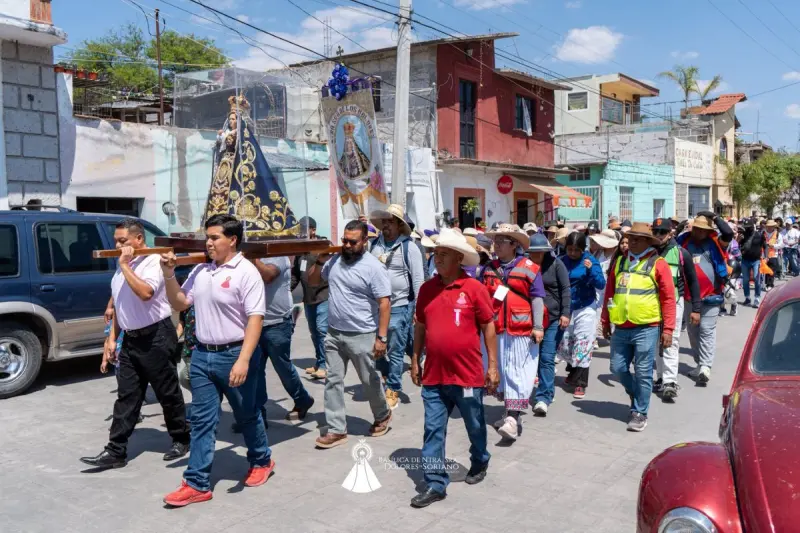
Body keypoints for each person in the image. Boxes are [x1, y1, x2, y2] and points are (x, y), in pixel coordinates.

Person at [160, 214, 273, 507]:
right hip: (201, 356)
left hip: (235, 354)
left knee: (246, 414)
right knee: (201, 421)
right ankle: (196, 483)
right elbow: (180, 303)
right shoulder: (200, 271)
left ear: (232, 240)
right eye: (207, 237)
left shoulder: (246, 272)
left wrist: (244, 360)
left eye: (214, 237)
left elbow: (255, 319)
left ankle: (262, 460)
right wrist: (169, 274)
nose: (208, 243)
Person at [80, 219, 191, 471]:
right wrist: (111, 339)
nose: (118, 245)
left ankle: (181, 437)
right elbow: (121, 304)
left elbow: (145, 293)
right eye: (116, 241)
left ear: (139, 239)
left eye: (123, 241)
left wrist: (124, 265)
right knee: (127, 395)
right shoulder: (124, 266)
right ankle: (115, 450)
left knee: (167, 391)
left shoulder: (152, 262)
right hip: (130, 339)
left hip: (156, 336)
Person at [409, 229, 499, 509]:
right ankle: (435, 482)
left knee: (475, 424)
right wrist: (415, 359)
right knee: (433, 429)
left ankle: (480, 459)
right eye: (436, 253)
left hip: (467, 376)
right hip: (434, 375)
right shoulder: (426, 289)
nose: (438, 258)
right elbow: (420, 326)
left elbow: (488, 326)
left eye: (445, 254)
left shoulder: (474, 289)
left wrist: (492, 365)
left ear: (459, 258)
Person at [315, 220, 393, 449]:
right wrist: (315, 259)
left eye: (352, 242)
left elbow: (385, 303)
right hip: (334, 333)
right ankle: (337, 429)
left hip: (362, 334)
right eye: (344, 241)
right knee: (333, 380)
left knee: (369, 380)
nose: (347, 245)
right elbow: (319, 278)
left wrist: (381, 338)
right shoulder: (335, 261)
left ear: (364, 241)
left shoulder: (374, 268)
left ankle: (382, 414)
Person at [602, 222, 675, 432]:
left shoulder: (658, 264)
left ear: (646, 242)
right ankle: (637, 392)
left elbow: (668, 299)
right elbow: (609, 294)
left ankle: (640, 412)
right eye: (629, 238)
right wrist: (605, 320)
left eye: (635, 239)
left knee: (643, 371)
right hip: (621, 327)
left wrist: (668, 329)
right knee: (617, 367)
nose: (629, 243)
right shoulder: (619, 263)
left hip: (647, 327)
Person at [479, 224, 544, 441]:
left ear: (514, 244)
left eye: (501, 241)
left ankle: (512, 420)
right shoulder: (488, 268)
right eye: (495, 241)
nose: (495, 245)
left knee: (517, 371)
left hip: (521, 330)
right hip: (495, 329)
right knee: (502, 372)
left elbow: (537, 298)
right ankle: (511, 415)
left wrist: (538, 327)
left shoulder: (529, 267)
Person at [369, 204, 424, 410]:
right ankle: (386, 374)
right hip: (375, 306)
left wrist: (418, 310)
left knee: (395, 350)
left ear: (400, 226)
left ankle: (393, 387)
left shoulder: (409, 247)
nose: (386, 226)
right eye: (384, 221)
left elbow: (418, 280)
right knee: (375, 348)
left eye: (390, 222)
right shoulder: (374, 245)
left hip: (400, 305)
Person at [251, 253, 314, 427]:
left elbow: (268, 275)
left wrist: (250, 257)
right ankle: (258, 415)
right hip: (253, 322)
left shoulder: (277, 255)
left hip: (277, 323)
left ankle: (302, 399)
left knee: (283, 367)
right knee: (254, 370)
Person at [676, 213, 733, 384]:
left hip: (711, 296)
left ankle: (706, 367)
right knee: (693, 334)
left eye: (703, 230)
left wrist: (715, 218)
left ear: (708, 231)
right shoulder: (683, 242)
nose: (700, 232)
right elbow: (668, 244)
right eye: (697, 229)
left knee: (707, 331)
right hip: (688, 297)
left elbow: (728, 234)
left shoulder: (717, 243)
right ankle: (700, 363)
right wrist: (679, 227)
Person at [652, 218, 701, 401]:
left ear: (670, 233)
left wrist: (696, 308)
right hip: (651, 303)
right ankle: (660, 377)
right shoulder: (649, 252)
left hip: (674, 302)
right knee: (657, 340)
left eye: (662, 232)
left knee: (670, 339)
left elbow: (693, 281)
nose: (658, 236)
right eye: (655, 232)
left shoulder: (681, 254)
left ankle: (670, 381)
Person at [557, 232, 606, 399]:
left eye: (576, 250)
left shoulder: (590, 260)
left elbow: (601, 283)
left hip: (586, 307)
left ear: (582, 249)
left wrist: (591, 271)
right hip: (567, 308)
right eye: (569, 249)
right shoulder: (561, 261)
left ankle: (581, 383)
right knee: (566, 343)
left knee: (583, 343)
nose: (572, 253)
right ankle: (572, 373)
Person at [527, 234, 570, 415]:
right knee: (533, 357)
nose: (535, 256)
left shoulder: (556, 265)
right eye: (532, 253)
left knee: (546, 357)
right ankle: (547, 388)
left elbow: (566, 289)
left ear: (546, 252)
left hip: (552, 318)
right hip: (530, 319)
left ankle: (543, 397)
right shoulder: (525, 266)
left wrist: (565, 313)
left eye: (539, 253)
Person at [292, 217, 330, 380]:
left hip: (323, 296)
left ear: (313, 230)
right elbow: (295, 274)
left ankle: (325, 366)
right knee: (314, 332)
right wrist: (288, 289)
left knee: (322, 330)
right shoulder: (301, 250)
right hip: (308, 299)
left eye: (304, 229)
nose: (301, 233)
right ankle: (319, 361)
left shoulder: (322, 247)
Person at [740, 221, 766, 307]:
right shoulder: (743, 235)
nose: (747, 228)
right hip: (745, 260)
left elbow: (765, 246)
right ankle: (747, 298)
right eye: (746, 227)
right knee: (745, 280)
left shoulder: (759, 235)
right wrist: (738, 239)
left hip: (756, 260)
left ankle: (757, 298)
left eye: (748, 227)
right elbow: (737, 246)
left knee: (756, 278)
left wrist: (765, 257)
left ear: (752, 227)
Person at [764, 220, 783, 290]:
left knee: (771, 270)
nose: (769, 228)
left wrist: (773, 246)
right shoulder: (763, 233)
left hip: (773, 255)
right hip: (764, 255)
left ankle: (770, 284)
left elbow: (781, 245)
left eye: (771, 226)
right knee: (765, 270)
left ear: (773, 227)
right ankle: (766, 284)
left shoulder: (778, 234)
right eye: (768, 226)